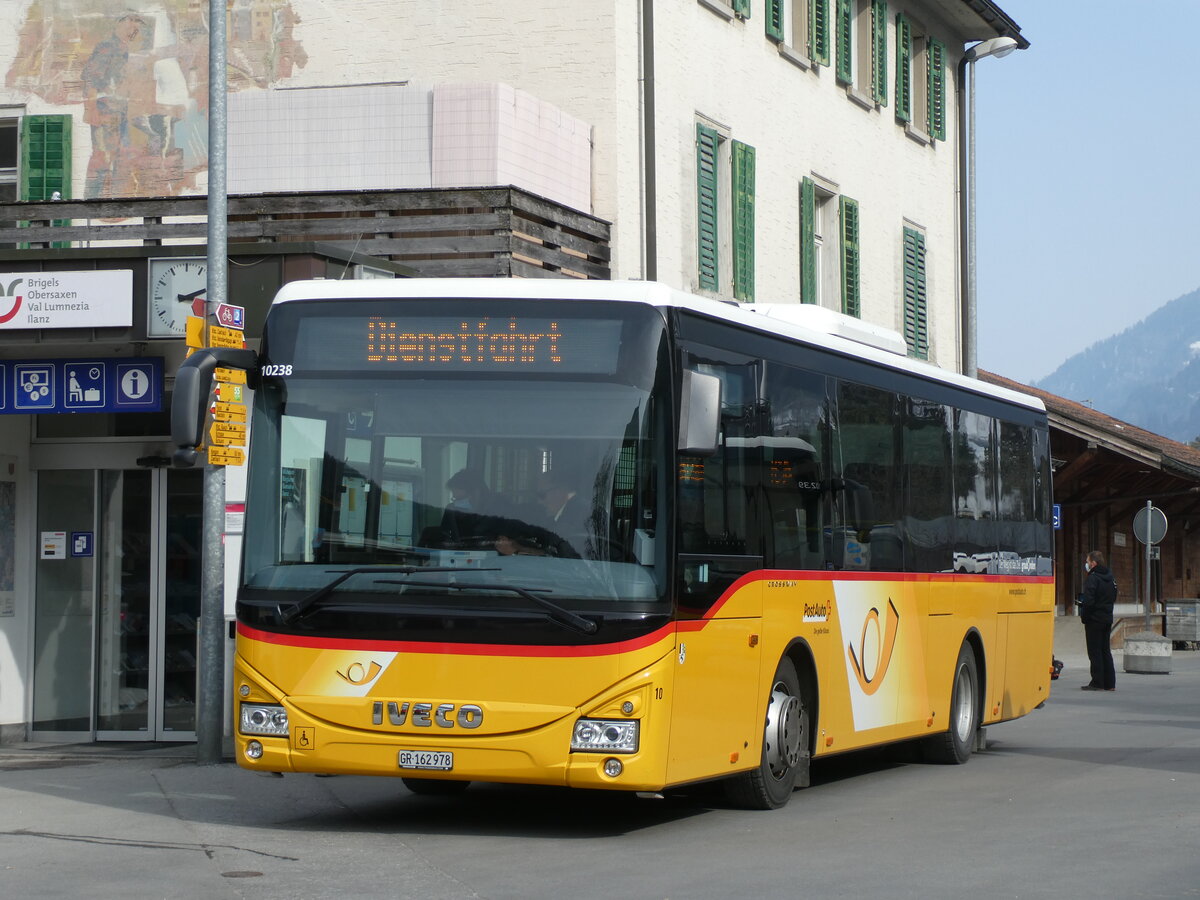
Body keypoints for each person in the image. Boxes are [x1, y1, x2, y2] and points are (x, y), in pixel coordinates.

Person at [1078, 549, 1117, 691]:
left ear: (1093, 563)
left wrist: (1085, 616)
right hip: (1107, 617)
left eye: (1087, 562)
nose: (1086, 564)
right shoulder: (1110, 577)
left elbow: (1088, 601)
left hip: (1094, 619)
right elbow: (1113, 596)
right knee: (1105, 650)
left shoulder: (1093, 578)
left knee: (1094, 651)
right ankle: (1110, 683)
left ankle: (1097, 682)